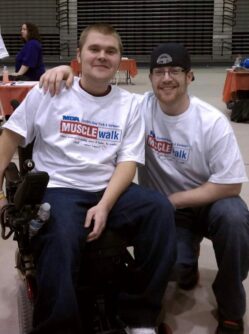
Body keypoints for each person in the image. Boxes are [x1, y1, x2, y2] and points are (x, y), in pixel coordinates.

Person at [40, 42, 249, 334]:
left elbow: (230, 184)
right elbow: (98, 90)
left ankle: (231, 309)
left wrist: (174, 200)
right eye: (159, 72)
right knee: (173, 265)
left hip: (211, 202)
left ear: (190, 76)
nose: (166, 78)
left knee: (235, 221)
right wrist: (66, 72)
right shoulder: (140, 107)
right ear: (150, 79)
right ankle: (186, 267)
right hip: (171, 213)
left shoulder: (211, 122)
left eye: (175, 71)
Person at [0, 24, 176, 334]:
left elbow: (128, 162)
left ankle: (140, 315)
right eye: (94, 49)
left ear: (120, 60)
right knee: (61, 233)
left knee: (159, 210)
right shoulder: (48, 91)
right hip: (59, 188)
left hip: (108, 188)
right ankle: (58, 326)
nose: (102, 56)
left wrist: (105, 204)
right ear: (78, 55)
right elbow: (8, 142)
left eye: (111, 51)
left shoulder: (130, 105)